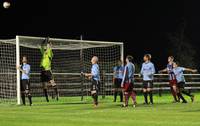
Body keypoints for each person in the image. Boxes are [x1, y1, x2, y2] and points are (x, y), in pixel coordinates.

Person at [40, 38, 59, 102]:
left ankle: (57, 95)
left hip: (48, 70)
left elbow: (49, 47)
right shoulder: (43, 53)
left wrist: (48, 42)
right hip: (43, 71)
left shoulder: (49, 53)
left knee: (53, 83)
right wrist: (43, 42)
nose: (46, 48)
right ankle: (47, 98)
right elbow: (42, 47)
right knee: (44, 86)